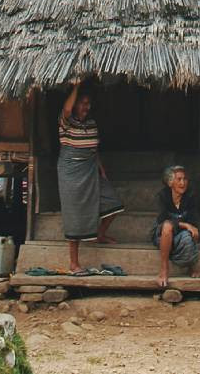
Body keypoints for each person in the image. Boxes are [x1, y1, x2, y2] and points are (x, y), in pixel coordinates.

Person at [57, 80, 124, 272]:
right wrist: (76, 87)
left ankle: (100, 234)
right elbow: (67, 109)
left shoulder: (92, 123)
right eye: (82, 103)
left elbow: (93, 150)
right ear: (75, 103)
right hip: (70, 173)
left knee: (114, 202)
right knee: (74, 216)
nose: (86, 107)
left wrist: (101, 168)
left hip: (90, 170)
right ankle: (74, 263)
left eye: (88, 103)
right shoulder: (66, 122)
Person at [152, 164, 200, 286]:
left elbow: (193, 223)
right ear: (170, 182)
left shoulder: (190, 196)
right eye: (179, 179)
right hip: (162, 234)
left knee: (190, 235)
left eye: (185, 179)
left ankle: (190, 266)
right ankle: (164, 269)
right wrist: (185, 224)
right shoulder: (163, 196)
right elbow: (163, 220)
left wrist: (186, 226)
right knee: (168, 226)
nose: (182, 183)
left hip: (180, 235)